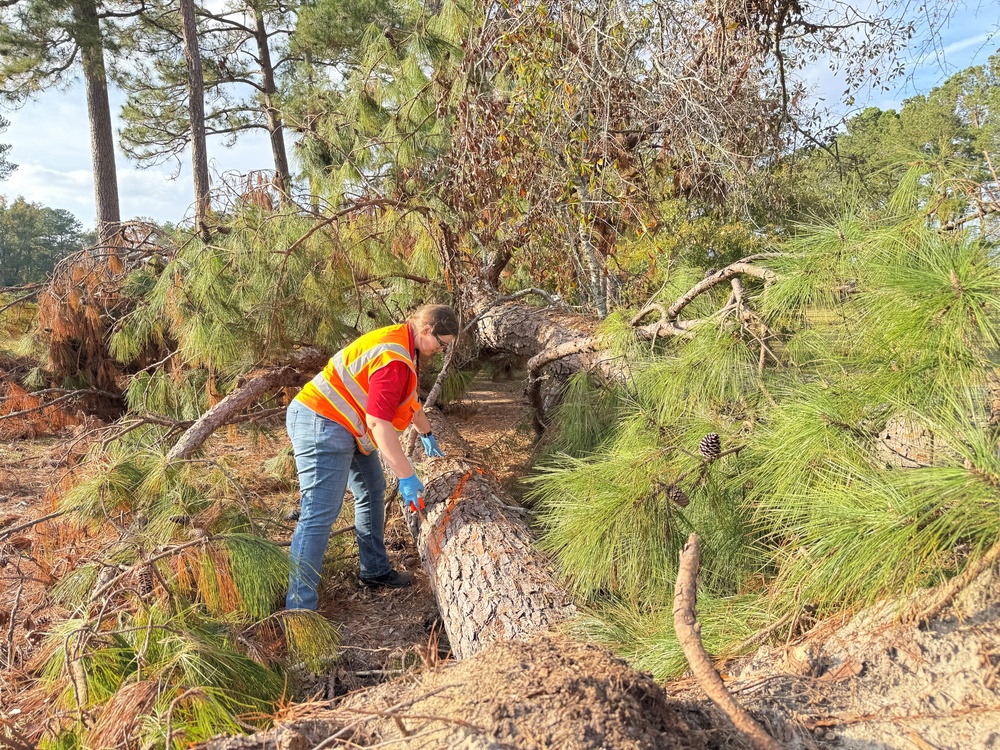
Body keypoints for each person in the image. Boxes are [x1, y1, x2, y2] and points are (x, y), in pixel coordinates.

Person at [284, 304, 459, 610]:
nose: (441, 350)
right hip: (321, 421)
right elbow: (379, 423)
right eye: (441, 343)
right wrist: (406, 475)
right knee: (319, 515)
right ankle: (300, 610)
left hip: (342, 424)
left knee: (371, 489)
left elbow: (410, 400)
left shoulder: (404, 345)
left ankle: (375, 571)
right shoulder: (395, 357)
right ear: (427, 330)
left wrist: (428, 435)